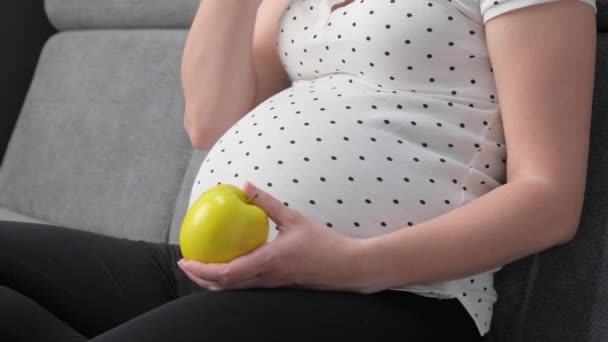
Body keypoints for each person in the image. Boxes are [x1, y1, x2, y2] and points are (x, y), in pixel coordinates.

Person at [0, 0, 598, 340]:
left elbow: (548, 196)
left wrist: (351, 266)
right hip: (215, 270)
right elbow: (209, 123)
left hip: (399, 297)